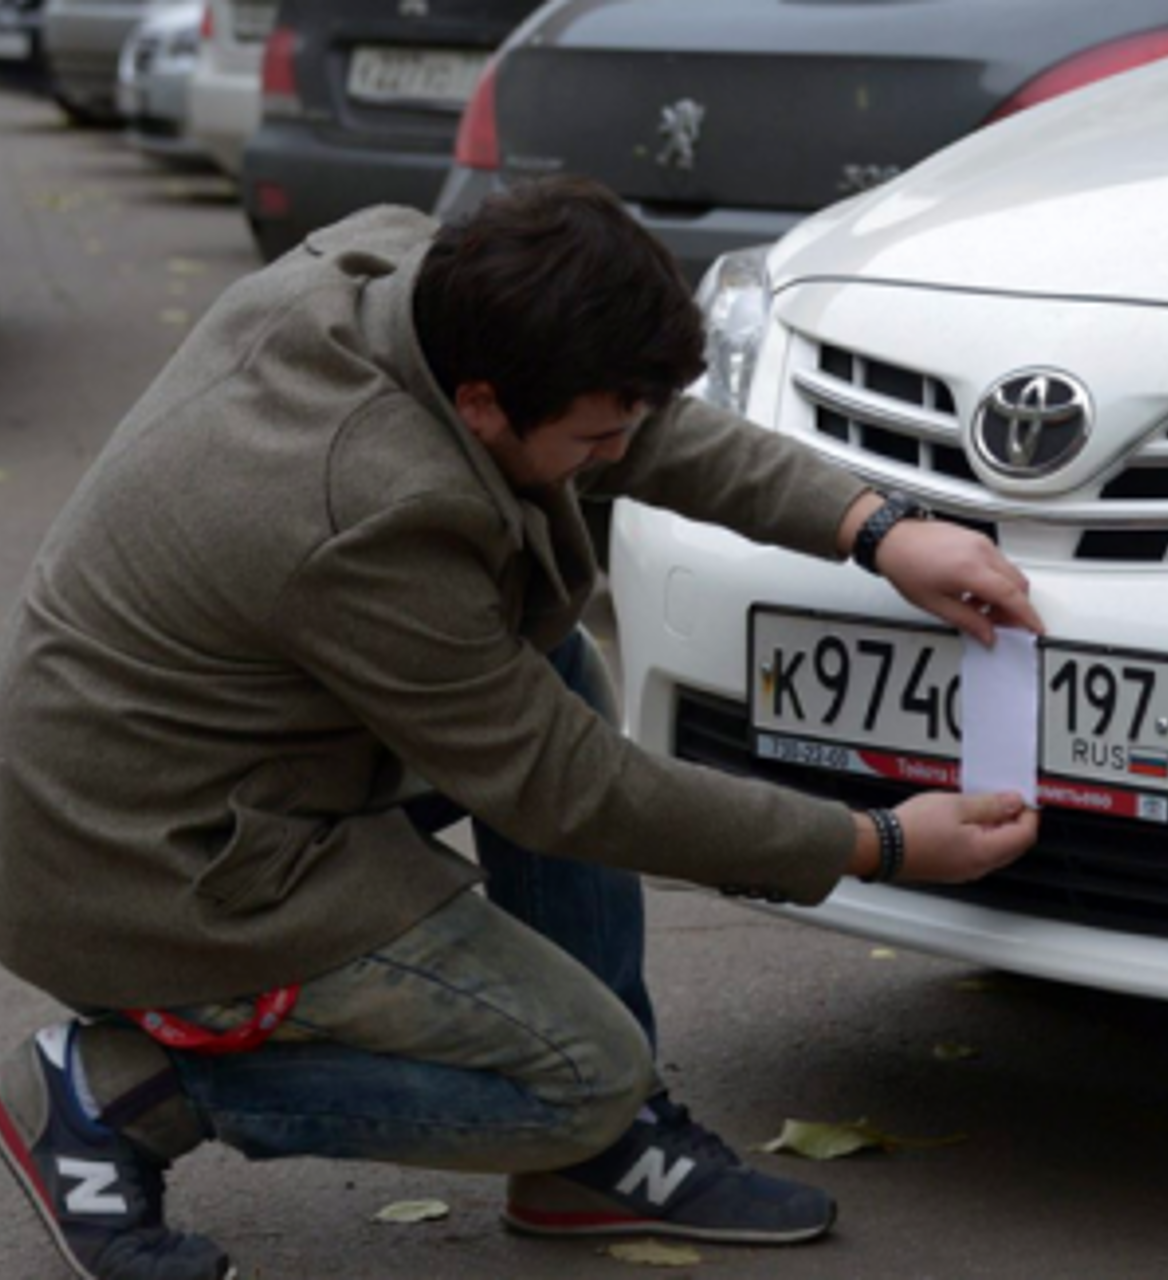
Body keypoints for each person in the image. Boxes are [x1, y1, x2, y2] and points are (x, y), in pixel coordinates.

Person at [0, 176, 1040, 1280]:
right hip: (148, 861)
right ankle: (116, 1093)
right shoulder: (367, 509)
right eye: (590, 435)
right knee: (577, 1080)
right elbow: (568, 786)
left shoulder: (402, 280)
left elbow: (630, 424)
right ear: (485, 405)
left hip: (216, 746)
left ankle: (593, 1161)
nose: (614, 448)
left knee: (546, 650)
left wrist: (873, 527)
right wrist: (871, 843)